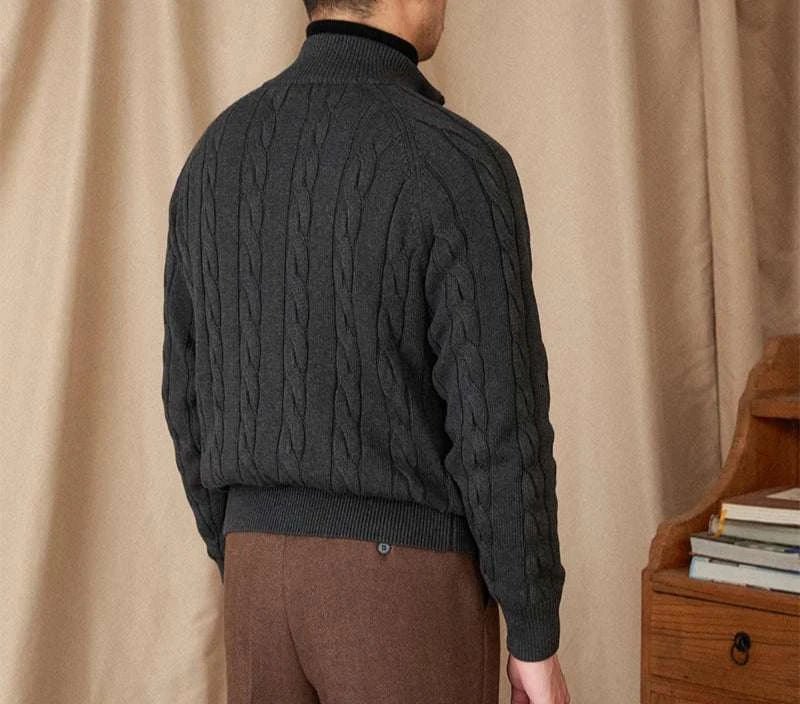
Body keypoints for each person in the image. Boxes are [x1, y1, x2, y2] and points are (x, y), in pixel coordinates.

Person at [160, 1, 570, 702]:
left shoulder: (214, 156)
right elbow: (500, 429)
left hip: (254, 579)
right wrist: (534, 635)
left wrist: (244, 541)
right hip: (400, 589)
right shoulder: (456, 163)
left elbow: (185, 396)